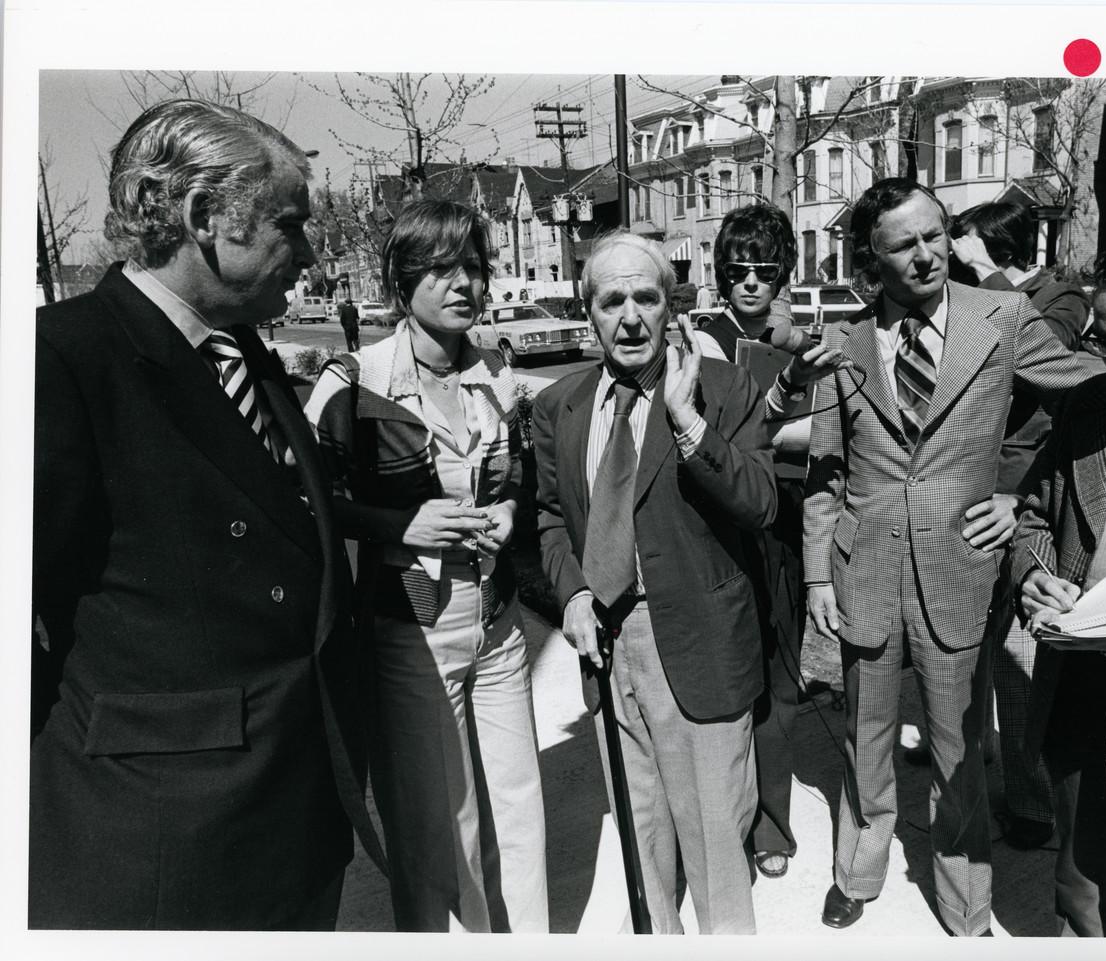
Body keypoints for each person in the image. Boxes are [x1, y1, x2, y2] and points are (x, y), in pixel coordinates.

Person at [30, 99, 384, 929]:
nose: (308, 251)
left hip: (291, 817)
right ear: (202, 218)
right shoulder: (61, 359)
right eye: (289, 225)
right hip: (163, 841)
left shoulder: (241, 347)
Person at [803, 178, 1084, 936]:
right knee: (866, 735)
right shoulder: (846, 341)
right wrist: (816, 574)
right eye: (904, 243)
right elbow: (825, 471)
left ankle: (965, 904)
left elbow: (1084, 392)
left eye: (935, 235)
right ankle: (857, 870)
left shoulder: (1004, 316)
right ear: (872, 258)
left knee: (958, 747)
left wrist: (1014, 491)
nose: (926, 254)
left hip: (959, 564)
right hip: (864, 567)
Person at [304, 199, 548, 933]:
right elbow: (308, 499)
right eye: (439, 268)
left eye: (472, 265)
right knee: (446, 821)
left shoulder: (495, 369)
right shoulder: (355, 380)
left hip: (499, 625)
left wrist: (508, 509)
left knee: (521, 808)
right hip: (413, 626)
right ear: (402, 278)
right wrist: (397, 522)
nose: (462, 283)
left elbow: (516, 477)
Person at [532, 231, 777, 933]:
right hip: (610, 650)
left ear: (673, 307)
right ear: (591, 314)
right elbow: (552, 519)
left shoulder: (724, 386)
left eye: (647, 297)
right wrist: (573, 591)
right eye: (613, 300)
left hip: (696, 641)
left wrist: (687, 416)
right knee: (642, 837)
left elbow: (761, 501)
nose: (631, 317)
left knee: (715, 844)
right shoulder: (562, 406)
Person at [1013, 240, 1106, 936]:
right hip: (1077, 685)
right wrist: (1034, 574)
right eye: (1104, 342)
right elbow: (1032, 515)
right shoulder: (1088, 405)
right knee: (1078, 887)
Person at [697, 203, 849, 881]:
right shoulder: (701, 341)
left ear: (785, 272)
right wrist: (800, 425)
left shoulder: (801, 340)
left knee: (784, 681)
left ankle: (772, 824)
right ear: (720, 275)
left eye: (765, 270)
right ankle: (729, 818)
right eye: (737, 270)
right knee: (732, 679)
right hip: (724, 527)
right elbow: (729, 443)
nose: (751, 283)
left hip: (788, 523)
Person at [946, 201, 1091, 849]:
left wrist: (987, 275)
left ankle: (1033, 806)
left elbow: (1053, 358)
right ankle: (969, 752)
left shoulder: (1061, 296)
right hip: (972, 491)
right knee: (969, 641)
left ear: (995, 244)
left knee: (1018, 656)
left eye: (965, 244)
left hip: (1028, 498)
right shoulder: (971, 296)